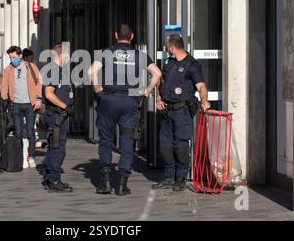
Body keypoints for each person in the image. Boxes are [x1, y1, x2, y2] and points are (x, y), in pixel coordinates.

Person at [88, 24, 162, 196]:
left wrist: (98, 89)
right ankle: (122, 183)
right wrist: (147, 91)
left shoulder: (107, 52)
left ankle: (105, 181)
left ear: (116, 35)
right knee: (127, 140)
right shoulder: (140, 55)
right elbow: (157, 74)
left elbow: (91, 72)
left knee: (106, 138)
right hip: (130, 101)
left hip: (109, 100)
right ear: (132, 36)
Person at [153, 34, 210, 192]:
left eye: (166, 45)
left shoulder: (192, 65)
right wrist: (158, 97)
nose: (165, 47)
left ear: (172, 47)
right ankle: (169, 176)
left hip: (182, 111)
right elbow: (161, 81)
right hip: (166, 110)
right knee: (165, 145)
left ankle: (181, 178)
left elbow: (201, 87)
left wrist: (204, 100)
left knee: (181, 145)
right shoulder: (168, 62)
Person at [1, 46, 43, 169]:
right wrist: (5, 101)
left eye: (14, 57)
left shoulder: (30, 66)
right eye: (10, 57)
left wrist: (39, 99)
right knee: (18, 132)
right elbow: (4, 86)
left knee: (30, 132)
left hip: (30, 104)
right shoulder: (8, 69)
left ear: (20, 56)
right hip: (16, 105)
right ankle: (20, 158)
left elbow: (39, 81)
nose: (12, 59)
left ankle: (32, 157)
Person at [42, 43, 75, 193]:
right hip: (56, 115)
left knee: (54, 147)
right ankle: (54, 180)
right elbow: (49, 93)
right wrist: (65, 106)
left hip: (59, 115)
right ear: (62, 55)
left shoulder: (59, 71)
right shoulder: (54, 71)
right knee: (57, 148)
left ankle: (50, 178)